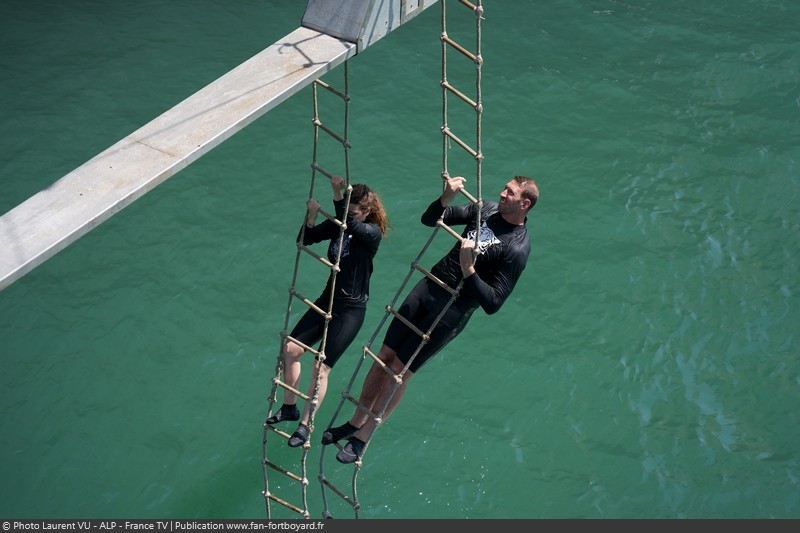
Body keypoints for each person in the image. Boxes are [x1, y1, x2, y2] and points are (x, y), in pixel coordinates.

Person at [321, 175, 539, 463]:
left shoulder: (518, 248)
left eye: (509, 193)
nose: (501, 194)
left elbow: (494, 302)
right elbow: (431, 218)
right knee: (383, 356)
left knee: (399, 371)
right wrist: (445, 198)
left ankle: (364, 436)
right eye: (504, 188)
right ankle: (355, 421)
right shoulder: (485, 209)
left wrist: (469, 270)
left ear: (524, 203)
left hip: (452, 309)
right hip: (427, 287)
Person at [266, 175, 392, 448]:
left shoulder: (370, 234)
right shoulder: (340, 225)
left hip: (351, 311)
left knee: (320, 368)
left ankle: (305, 426)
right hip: (328, 300)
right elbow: (305, 237)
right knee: (290, 349)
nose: (349, 216)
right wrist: (310, 216)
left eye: (354, 211)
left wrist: (337, 195)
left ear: (366, 212)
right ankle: (290, 408)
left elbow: (348, 222)